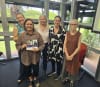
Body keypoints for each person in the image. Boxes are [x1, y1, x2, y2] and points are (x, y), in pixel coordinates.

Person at [16, 18, 44, 87]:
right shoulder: (22, 35)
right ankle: (30, 80)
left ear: (33, 25)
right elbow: (17, 45)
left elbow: (42, 44)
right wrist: (22, 46)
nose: (29, 25)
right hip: (26, 57)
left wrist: (38, 49)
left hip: (35, 57)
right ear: (25, 25)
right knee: (27, 70)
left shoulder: (37, 34)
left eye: (31, 24)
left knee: (36, 70)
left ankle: (35, 78)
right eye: (27, 24)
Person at [63, 19, 81, 87]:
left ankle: (72, 80)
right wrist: (67, 55)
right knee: (67, 67)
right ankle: (67, 78)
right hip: (67, 54)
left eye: (74, 24)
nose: (73, 26)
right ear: (69, 25)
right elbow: (64, 44)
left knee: (73, 68)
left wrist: (72, 56)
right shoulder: (67, 33)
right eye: (71, 24)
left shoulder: (79, 34)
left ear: (77, 25)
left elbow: (78, 47)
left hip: (75, 55)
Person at [48, 16, 66, 80]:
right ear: (54, 21)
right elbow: (49, 38)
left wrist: (63, 50)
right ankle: (53, 71)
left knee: (58, 63)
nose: (57, 22)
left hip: (59, 49)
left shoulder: (63, 30)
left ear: (60, 22)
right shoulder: (50, 29)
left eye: (58, 20)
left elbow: (64, 41)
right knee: (52, 61)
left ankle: (58, 74)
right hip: (52, 48)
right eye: (56, 20)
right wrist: (49, 47)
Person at [12, 13, 25, 83]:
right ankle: (21, 75)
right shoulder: (16, 27)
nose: (20, 19)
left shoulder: (28, 25)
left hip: (29, 46)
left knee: (30, 61)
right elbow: (14, 38)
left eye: (21, 17)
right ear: (17, 19)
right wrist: (23, 39)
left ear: (24, 17)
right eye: (18, 18)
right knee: (22, 61)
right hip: (21, 47)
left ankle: (28, 74)